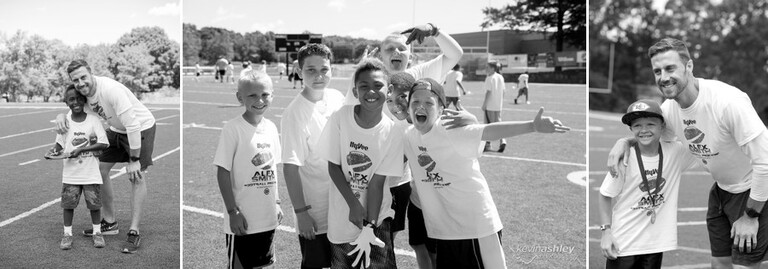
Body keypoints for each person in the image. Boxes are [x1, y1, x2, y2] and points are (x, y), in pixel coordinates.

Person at [606, 37, 768, 268]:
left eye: (670, 68)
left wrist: (751, 216)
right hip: (721, 191)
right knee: (720, 263)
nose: (663, 77)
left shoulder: (728, 102)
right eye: (657, 71)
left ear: (689, 66)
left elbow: (765, 162)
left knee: (745, 266)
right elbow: (651, 136)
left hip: (754, 192)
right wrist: (624, 141)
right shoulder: (669, 109)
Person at [404, 78, 569, 269]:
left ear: (441, 109)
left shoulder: (451, 130)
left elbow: (489, 131)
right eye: (415, 102)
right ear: (408, 109)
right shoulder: (409, 136)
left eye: (429, 103)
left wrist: (532, 126)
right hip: (444, 232)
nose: (420, 107)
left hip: (475, 228)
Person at [55, 59, 157, 254]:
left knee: (137, 176)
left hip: (140, 128)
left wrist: (134, 160)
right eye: (76, 80)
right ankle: (109, 222)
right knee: (100, 170)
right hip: (117, 129)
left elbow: (133, 125)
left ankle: (134, 231)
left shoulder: (110, 89)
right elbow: (75, 111)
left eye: (83, 77)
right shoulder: (85, 94)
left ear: (91, 73)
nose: (81, 83)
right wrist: (61, 116)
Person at [318, 58, 400, 268]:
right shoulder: (341, 117)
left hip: (377, 217)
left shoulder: (393, 131)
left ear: (389, 90)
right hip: (343, 215)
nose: (371, 92)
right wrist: (353, 205)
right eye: (364, 86)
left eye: (378, 86)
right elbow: (333, 166)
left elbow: (377, 183)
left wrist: (370, 227)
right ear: (355, 91)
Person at [599, 99, 697, 268]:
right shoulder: (624, 159)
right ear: (631, 129)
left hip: (655, 246)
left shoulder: (676, 152)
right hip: (624, 245)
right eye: (637, 126)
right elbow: (605, 194)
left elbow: (701, 139)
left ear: (663, 126)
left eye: (651, 124)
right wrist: (606, 231)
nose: (644, 130)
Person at [280, 44, 345, 269]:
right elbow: (290, 167)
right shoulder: (294, 113)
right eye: (310, 70)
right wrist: (301, 213)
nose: (319, 75)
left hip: (343, 205)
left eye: (324, 69)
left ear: (331, 70)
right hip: (316, 211)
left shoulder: (337, 97)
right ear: (299, 72)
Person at [213, 71, 282, 269]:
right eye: (252, 95)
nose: (260, 100)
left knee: (265, 265)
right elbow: (222, 171)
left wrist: (276, 202)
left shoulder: (270, 127)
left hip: (267, 217)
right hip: (242, 221)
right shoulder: (233, 129)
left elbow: (273, 168)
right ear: (240, 97)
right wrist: (232, 211)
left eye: (265, 94)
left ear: (272, 95)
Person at [344, 23, 464, 105]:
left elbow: (455, 55)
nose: (396, 51)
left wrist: (434, 30)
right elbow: (349, 108)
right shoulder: (369, 83)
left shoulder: (420, 74)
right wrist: (360, 72)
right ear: (380, 56)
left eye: (401, 48)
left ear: (410, 57)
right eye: (390, 48)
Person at [50, 85, 109, 250]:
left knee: (95, 206)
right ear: (66, 102)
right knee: (68, 206)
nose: (75, 102)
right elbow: (59, 144)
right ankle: (67, 234)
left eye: (78, 98)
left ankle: (97, 232)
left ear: (84, 99)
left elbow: (104, 143)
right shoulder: (65, 123)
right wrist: (52, 151)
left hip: (90, 173)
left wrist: (83, 149)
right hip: (71, 174)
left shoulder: (93, 120)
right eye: (71, 99)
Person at [482, 61, 506, 153]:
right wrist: (500, 101)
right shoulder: (500, 77)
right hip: (498, 105)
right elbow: (504, 91)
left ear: (493, 68)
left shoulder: (489, 78)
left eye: (487, 67)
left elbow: (488, 92)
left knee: (488, 126)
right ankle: (502, 140)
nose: (486, 69)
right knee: (498, 124)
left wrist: (484, 104)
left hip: (490, 106)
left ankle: (488, 144)